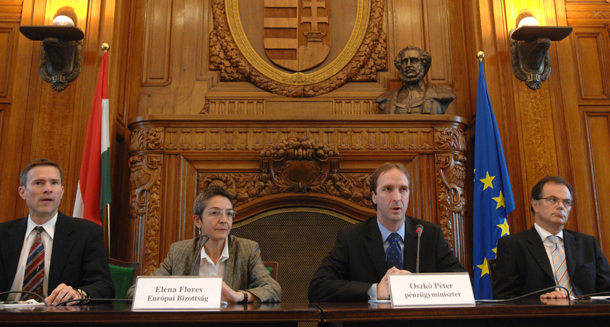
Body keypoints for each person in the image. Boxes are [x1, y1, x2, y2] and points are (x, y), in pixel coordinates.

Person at [308, 162, 465, 302]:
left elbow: (463, 283)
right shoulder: (351, 237)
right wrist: (374, 290)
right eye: (388, 189)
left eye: (403, 189)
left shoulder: (429, 234)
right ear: (374, 197)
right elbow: (318, 287)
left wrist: (418, 287)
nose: (397, 197)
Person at [126, 186, 281, 302]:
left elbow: (273, 290)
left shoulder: (247, 250)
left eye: (229, 214)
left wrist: (239, 296)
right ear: (198, 220)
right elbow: (136, 291)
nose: (223, 220)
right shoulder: (180, 251)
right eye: (215, 213)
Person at [0, 158, 114, 305]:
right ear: (22, 192)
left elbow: (104, 286)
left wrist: (78, 294)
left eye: (54, 183)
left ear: (61, 191)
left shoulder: (87, 233)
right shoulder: (3, 234)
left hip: (58, 318)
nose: (48, 189)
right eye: (39, 183)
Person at [493, 176, 610, 299]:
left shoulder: (587, 243)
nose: (561, 206)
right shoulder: (513, 245)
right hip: (540, 316)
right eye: (552, 200)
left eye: (566, 202)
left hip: (586, 315)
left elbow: (607, 291)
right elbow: (504, 298)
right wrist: (541, 303)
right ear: (535, 205)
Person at [376, 46, 455, 114]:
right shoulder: (386, 98)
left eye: (414, 61)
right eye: (405, 62)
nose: (409, 65)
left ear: (423, 64)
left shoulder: (442, 94)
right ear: (400, 66)